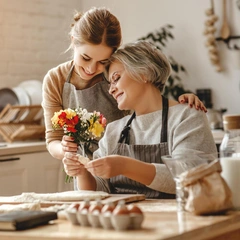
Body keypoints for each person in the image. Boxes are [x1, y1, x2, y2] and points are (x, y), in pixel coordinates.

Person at [42, 7, 207, 190]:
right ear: (74, 42)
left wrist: (181, 104)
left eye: (103, 63)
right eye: (86, 58)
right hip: (94, 178)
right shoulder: (113, 130)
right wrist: (75, 161)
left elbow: (151, 101)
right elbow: (54, 139)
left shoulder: (185, 118)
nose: (91, 69)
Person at [63, 40, 217, 198]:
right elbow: (99, 190)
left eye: (116, 78)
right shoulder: (113, 130)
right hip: (125, 219)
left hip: (178, 218)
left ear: (144, 73)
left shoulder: (186, 116)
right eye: (109, 83)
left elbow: (189, 177)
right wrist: (82, 173)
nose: (111, 89)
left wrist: (125, 166)